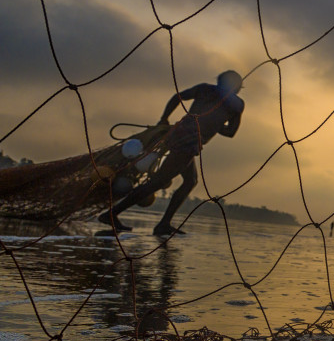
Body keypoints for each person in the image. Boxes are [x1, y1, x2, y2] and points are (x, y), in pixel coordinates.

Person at [98, 70, 245, 236]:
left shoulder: (204, 89)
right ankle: (112, 214)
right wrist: (217, 123)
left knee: (190, 181)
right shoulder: (237, 104)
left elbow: (178, 97)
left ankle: (163, 223)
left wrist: (164, 118)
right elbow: (230, 132)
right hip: (188, 143)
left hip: (177, 134)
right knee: (159, 181)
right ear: (237, 87)